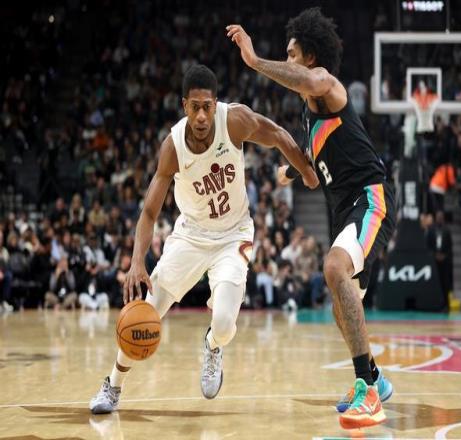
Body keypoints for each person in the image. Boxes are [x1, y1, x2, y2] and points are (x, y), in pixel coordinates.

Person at [89, 64, 318, 414]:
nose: (200, 115)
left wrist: (305, 170)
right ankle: (113, 385)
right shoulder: (173, 146)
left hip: (234, 235)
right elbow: (149, 212)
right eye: (194, 107)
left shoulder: (234, 121)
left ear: (215, 104)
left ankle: (212, 345)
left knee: (224, 324)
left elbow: (275, 134)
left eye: (207, 107)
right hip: (191, 236)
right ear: (184, 105)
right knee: (146, 311)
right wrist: (137, 261)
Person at [227, 8, 396, 429]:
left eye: (291, 54)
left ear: (310, 56)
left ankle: (368, 392)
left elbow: (310, 80)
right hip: (344, 210)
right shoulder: (310, 117)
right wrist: (289, 171)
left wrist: (254, 60)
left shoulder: (327, 86)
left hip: (369, 199)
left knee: (334, 268)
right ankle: (375, 377)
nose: (287, 60)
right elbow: (312, 169)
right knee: (341, 303)